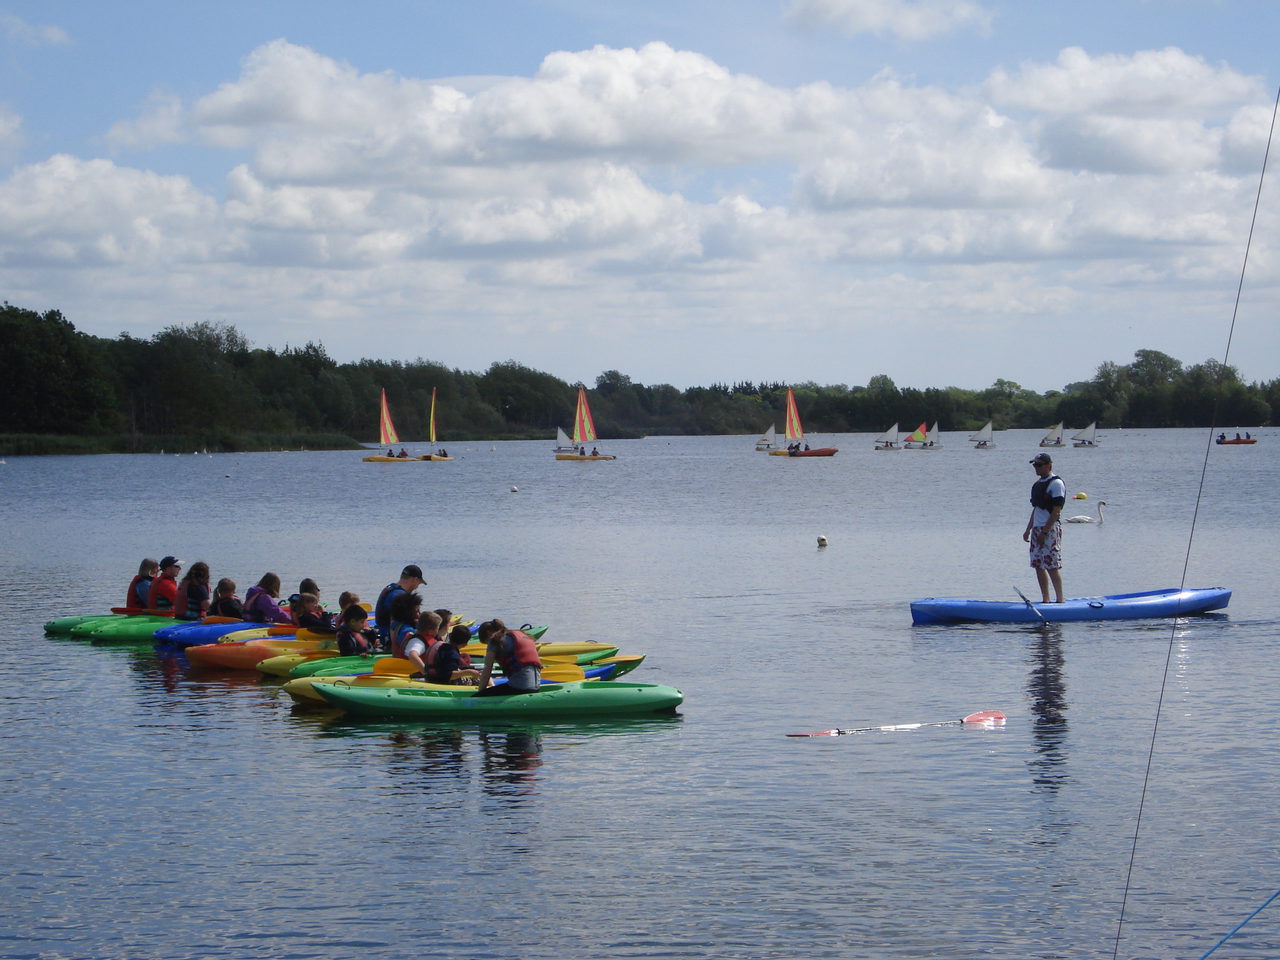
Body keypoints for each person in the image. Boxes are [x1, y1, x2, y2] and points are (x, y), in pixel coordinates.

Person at [1023, 453, 1066, 603]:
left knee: (1051, 565)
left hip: (1050, 529)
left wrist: (1045, 531)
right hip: (1037, 529)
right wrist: (1028, 529)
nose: (1036, 468)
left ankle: (1060, 600)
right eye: (1035, 465)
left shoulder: (1056, 483)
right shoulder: (1037, 485)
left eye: (1039, 465)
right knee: (1038, 565)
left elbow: (1056, 511)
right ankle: (1045, 600)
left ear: (1048, 465)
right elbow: (1036, 509)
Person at [474, 618, 543, 696]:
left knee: (479, 695)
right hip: (536, 686)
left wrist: (480, 693)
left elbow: (487, 670)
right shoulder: (522, 635)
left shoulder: (494, 640)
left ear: (489, 633)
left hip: (520, 688)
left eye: (486, 643)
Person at [374, 564, 426, 645]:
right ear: (414, 580)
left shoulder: (391, 588)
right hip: (391, 638)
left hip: (384, 632)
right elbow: (408, 621)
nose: (416, 588)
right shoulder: (400, 597)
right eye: (418, 584)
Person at [400, 610, 442, 678]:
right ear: (430, 631)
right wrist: (426, 673)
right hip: (416, 675)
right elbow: (412, 655)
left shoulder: (421, 637)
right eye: (437, 628)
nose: (438, 631)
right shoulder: (418, 642)